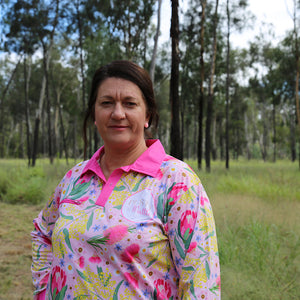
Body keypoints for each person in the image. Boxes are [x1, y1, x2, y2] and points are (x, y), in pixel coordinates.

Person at [31, 60, 220, 300]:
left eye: (130, 104)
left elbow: (201, 282)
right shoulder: (75, 178)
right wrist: (43, 288)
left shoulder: (178, 182)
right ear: (95, 115)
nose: (118, 113)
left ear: (147, 115)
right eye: (107, 103)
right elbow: (42, 231)